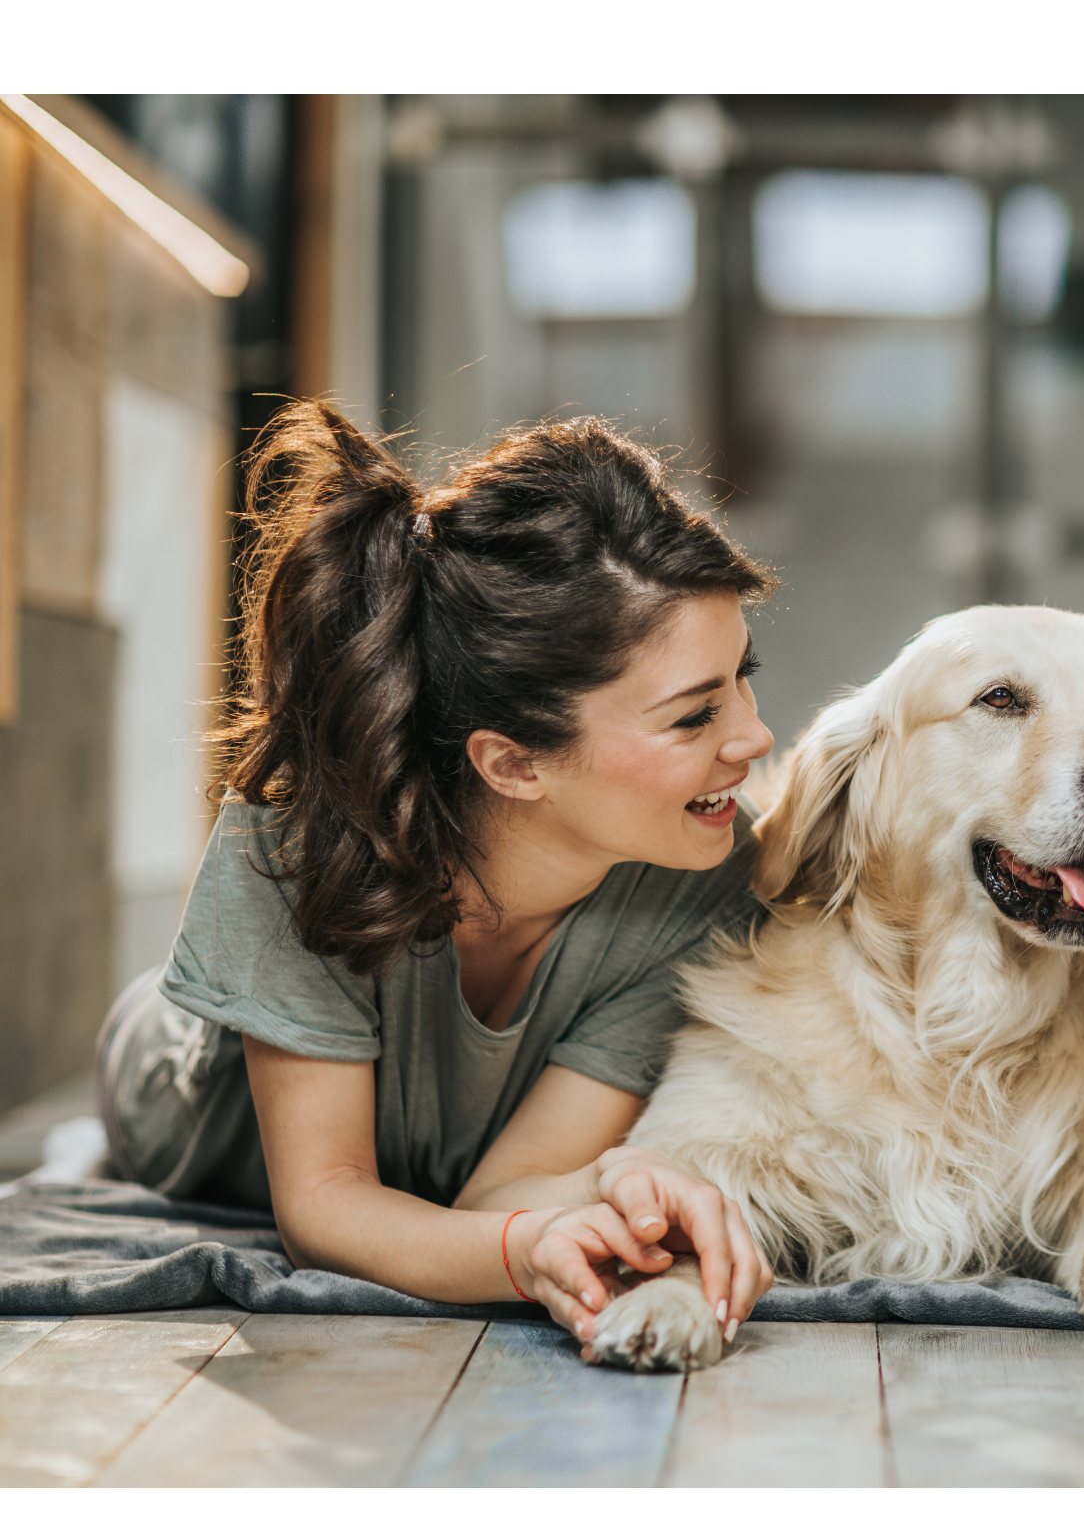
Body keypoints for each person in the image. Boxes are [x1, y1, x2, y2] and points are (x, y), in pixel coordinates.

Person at [97, 403, 777, 1346]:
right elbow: (324, 1208)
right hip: (183, 1102)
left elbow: (498, 1195)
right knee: (147, 1049)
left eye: (746, 675)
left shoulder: (705, 878)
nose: (754, 735)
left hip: (442, 1151)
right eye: (693, 716)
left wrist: (606, 1188)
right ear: (514, 764)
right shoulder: (292, 846)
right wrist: (521, 1252)